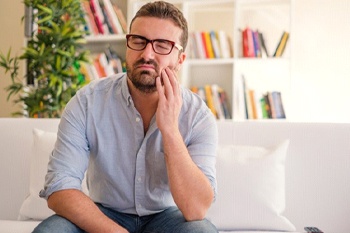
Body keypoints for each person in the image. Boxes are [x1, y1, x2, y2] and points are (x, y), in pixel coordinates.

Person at [33, 1, 218, 233]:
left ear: (180, 60)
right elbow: (59, 187)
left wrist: (170, 129)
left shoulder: (198, 117)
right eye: (139, 41)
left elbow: (196, 210)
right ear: (128, 46)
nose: (147, 53)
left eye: (162, 45)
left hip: (166, 218)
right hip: (103, 213)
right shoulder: (88, 102)